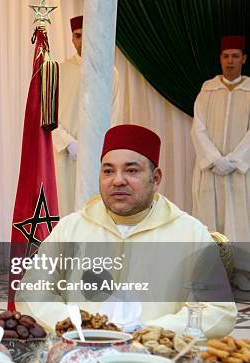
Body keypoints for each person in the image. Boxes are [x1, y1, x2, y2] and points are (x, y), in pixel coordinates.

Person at [16, 124, 237, 338]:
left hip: (158, 361)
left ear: (156, 178)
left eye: (131, 170)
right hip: (81, 352)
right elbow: (33, 293)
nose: (118, 180)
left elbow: (218, 310)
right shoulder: (71, 228)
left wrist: (150, 331)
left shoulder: (189, 232)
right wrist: (81, 327)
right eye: (108, 171)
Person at [191, 35, 249, 291]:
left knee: (239, 219)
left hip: (240, 172)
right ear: (220, 59)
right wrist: (214, 159)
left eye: (235, 56)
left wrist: (235, 160)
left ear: (244, 59)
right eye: (226, 56)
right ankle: (213, 273)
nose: (230, 61)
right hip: (211, 169)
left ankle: (242, 272)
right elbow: (198, 127)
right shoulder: (208, 89)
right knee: (210, 218)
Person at [52, 16, 121, 216]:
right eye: (77, 35)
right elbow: (47, 117)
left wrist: (98, 147)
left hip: (97, 155)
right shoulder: (58, 72)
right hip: (64, 155)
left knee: (95, 209)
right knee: (65, 209)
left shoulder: (110, 73)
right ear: (72, 39)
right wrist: (68, 143)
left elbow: (112, 116)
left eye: (86, 35)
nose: (82, 41)